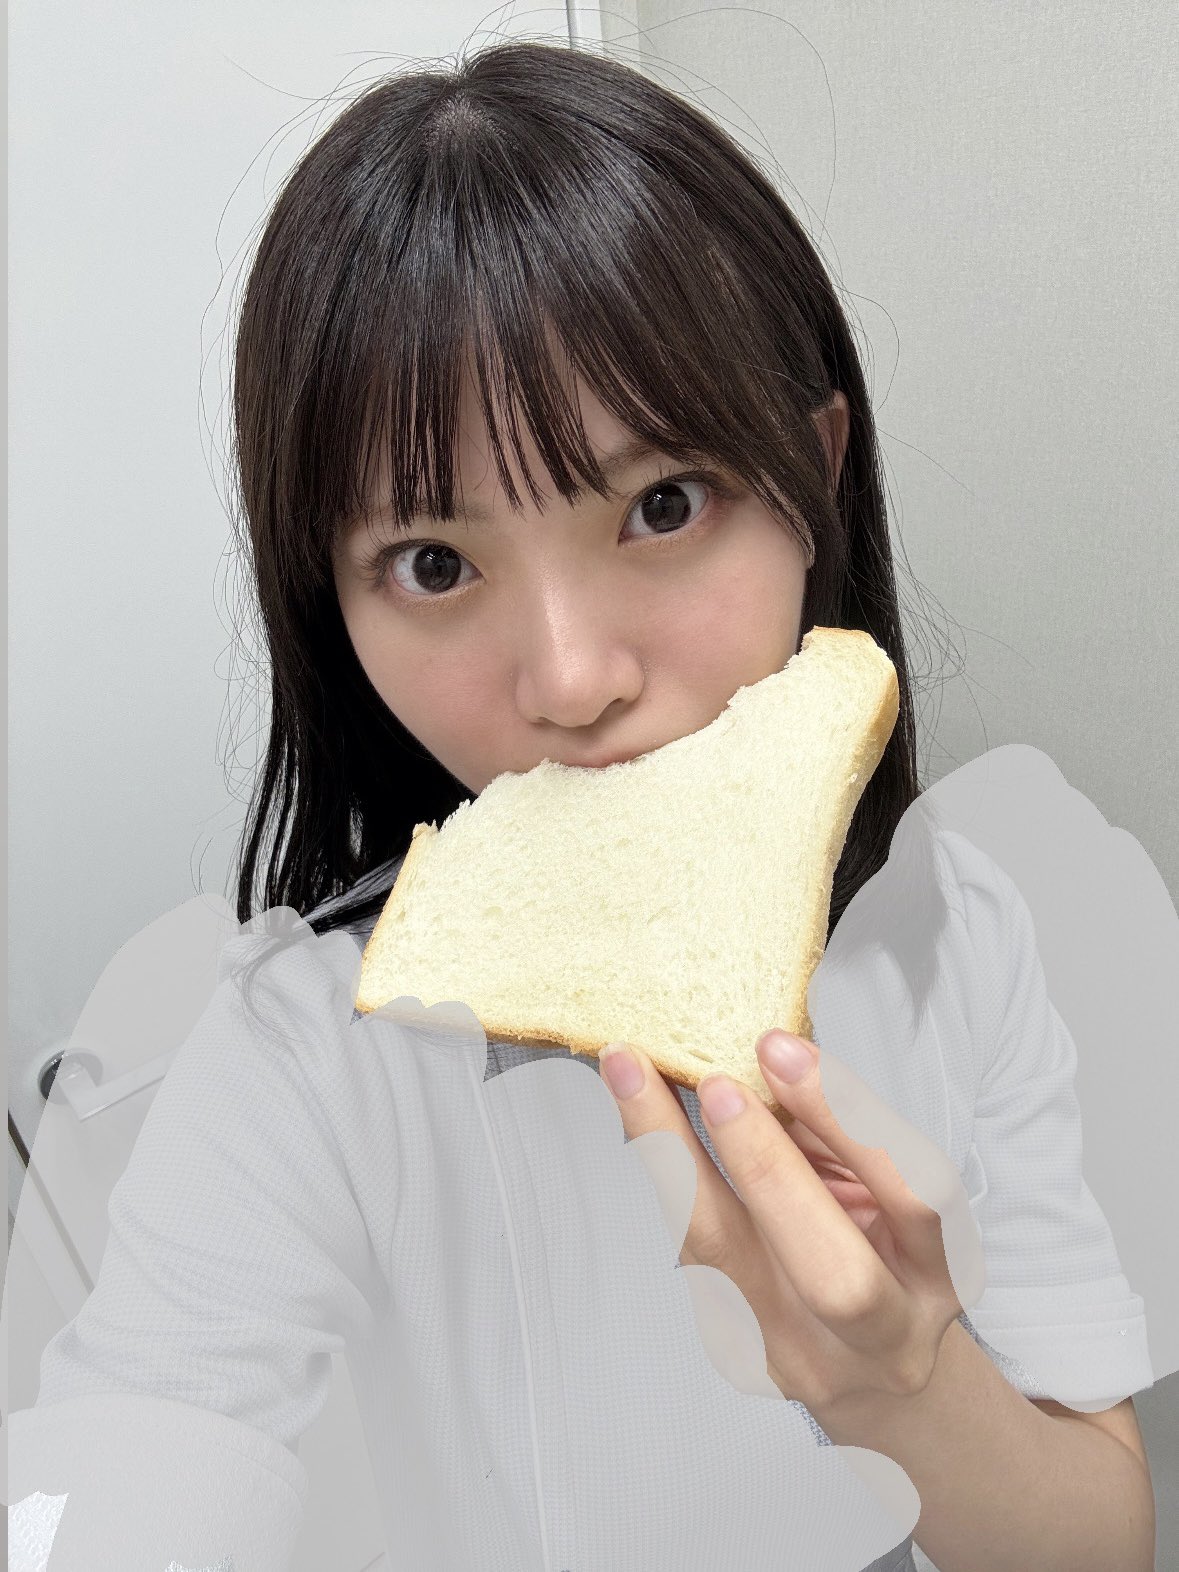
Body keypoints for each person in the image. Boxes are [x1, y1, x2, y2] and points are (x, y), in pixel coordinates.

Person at [7, 38, 1155, 1572]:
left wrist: (904, 1387)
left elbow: (1102, 1538)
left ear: (813, 474)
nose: (570, 679)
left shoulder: (962, 934)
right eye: (433, 563)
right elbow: (143, 1442)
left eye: (662, 504)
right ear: (333, 603)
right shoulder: (303, 1054)